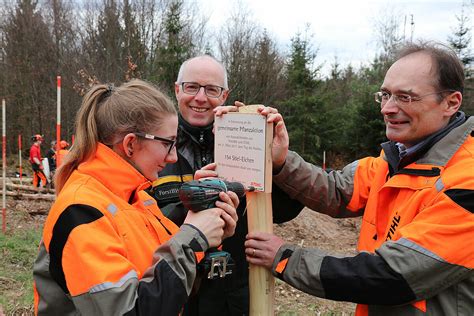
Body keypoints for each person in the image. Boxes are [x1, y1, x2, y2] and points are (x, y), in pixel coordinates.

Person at [244, 42, 474, 315]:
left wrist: (285, 258)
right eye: (385, 95)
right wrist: (281, 160)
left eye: (405, 97)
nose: (387, 108)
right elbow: (337, 191)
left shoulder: (465, 183)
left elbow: (392, 276)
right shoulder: (394, 161)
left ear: (450, 103)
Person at [33, 79, 239, 315]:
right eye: (168, 144)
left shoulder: (137, 198)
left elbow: (162, 278)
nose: (173, 157)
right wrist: (193, 239)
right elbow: (131, 310)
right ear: (130, 144)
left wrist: (208, 231)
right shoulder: (81, 211)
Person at [150, 55, 303, 315]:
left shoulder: (245, 140)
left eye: (211, 89)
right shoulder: (154, 145)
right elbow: (137, 223)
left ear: (224, 95)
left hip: (233, 298)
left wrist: (275, 162)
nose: (200, 98)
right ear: (177, 90)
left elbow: (285, 211)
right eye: (191, 87)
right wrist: (190, 204)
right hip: (175, 293)